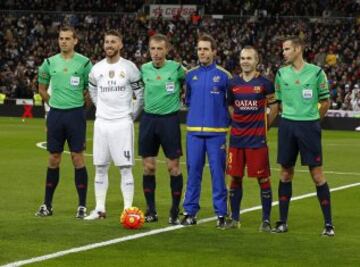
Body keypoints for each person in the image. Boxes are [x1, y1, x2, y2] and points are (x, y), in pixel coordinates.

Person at [273, 36, 334, 236]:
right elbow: (279, 102)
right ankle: (282, 222)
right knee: (285, 173)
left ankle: (328, 225)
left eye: (287, 49)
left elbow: (325, 102)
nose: (284, 53)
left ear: (298, 49)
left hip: (309, 127)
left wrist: (314, 120)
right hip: (287, 126)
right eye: (283, 49)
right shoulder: (281, 74)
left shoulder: (317, 73)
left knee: (317, 175)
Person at [85, 30, 144, 220]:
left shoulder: (130, 68)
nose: (109, 45)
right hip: (102, 123)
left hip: (122, 124)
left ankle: (128, 210)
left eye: (113, 42)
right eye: (106, 42)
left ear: (120, 45)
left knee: (125, 168)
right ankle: (100, 209)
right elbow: (93, 92)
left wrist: (130, 115)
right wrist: (101, 108)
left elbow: (140, 95)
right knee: (100, 167)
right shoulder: (96, 69)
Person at [36, 25, 93, 218]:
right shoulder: (48, 63)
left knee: (77, 158)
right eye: (61, 38)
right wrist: (54, 104)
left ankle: (82, 206)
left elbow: (89, 92)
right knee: (53, 159)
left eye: (68, 38)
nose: (64, 41)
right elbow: (42, 88)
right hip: (56, 115)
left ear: (75, 41)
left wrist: (78, 107)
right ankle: (47, 205)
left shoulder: (85, 64)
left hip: (75, 115)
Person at [181, 34, 231, 229]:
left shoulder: (225, 76)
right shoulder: (190, 75)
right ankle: (189, 212)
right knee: (193, 172)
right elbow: (189, 101)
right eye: (200, 49)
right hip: (193, 132)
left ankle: (221, 214)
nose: (202, 52)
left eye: (206, 49)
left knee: (218, 174)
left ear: (214, 52)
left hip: (217, 132)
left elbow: (230, 105)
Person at [226, 46, 278, 231]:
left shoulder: (265, 83)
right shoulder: (232, 83)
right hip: (237, 139)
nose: (245, 61)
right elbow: (231, 107)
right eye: (242, 58)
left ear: (257, 61)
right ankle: (235, 219)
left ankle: (265, 221)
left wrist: (265, 127)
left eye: (249, 58)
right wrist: (238, 123)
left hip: (257, 140)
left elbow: (274, 108)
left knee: (263, 179)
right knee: (235, 178)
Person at [139, 34, 185, 225]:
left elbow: (188, 84)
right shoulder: (144, 69)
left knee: (173, 168)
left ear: (167, 50)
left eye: (160, 49)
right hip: (148, 119)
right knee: (148, 167)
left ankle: (175, 209)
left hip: (169, 120)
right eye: (153, 49)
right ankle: (151, 210)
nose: (156, 53)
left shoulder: (177, 69)